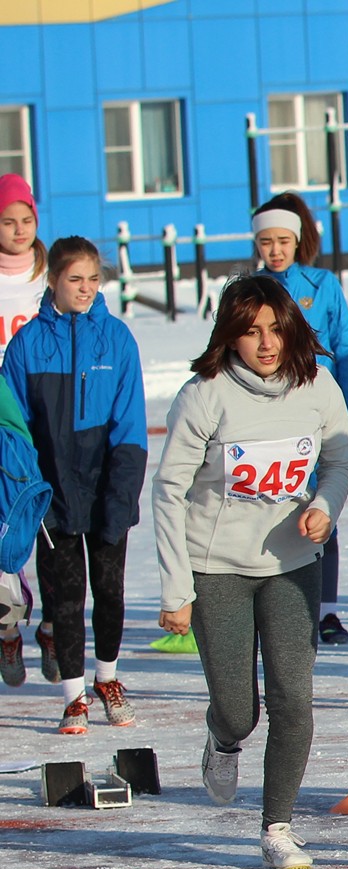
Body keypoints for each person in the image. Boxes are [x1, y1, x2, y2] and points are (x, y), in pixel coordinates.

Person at [151, 277, 348, 869]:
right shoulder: (204, 395)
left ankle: (277, 827)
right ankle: (223, 734)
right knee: (242, 709)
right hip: (218, 568)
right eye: (250, 331)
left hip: (293, 566)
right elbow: (169, 490)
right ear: (230, 336)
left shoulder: (318, 385)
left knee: (294, 696)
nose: (266, 343)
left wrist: (323, 507)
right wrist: (176, 587)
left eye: (274, 328)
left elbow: (341, 458)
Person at [0, 236, 147, 735]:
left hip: (107, 485)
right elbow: (14, 429)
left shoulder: (118, 339)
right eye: (74, 279)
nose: (85, 288)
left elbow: (130, 423)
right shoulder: (25, 345)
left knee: (109, 590)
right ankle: (74, 695)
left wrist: (122, 491)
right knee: (64, 596)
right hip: (52, 490)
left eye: (92, 280)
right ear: (53, 281)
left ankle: (107, 679)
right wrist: (28, 493)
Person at [251, 192, 348, 645]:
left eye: (282, 241)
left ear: (297, 241)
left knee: (320, 507)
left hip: (315, 413)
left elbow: (346, 346)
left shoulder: (322, 285)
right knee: (268, 509)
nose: (275, 250)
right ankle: (269, 609)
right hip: (263, 417)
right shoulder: (246, 288)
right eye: (265, 242)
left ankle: (326, 611)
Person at [0, 172, 45, 685]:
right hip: (4, 416)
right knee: (7, 525)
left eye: (26, 219)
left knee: (46, 525)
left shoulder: (47, 272)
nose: (18, 229)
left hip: (42, 410)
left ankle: (52, 623)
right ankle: (9, 630)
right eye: (8, 221)